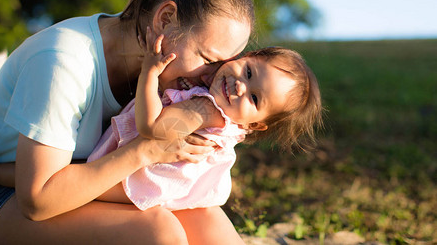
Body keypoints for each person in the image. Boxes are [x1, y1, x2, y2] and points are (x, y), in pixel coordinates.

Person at [0, 0, 255, 244]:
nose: (211, 77)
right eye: (208, 59)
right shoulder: (63, 60)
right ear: (164, 19)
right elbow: (37, 200)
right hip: (6, 196)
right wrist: (145, 150)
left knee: (205, 218)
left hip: (88, 186)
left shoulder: (166, 77)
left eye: (222, 64)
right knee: (157, 230)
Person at [88, 29, 323, 212]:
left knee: (89, 189)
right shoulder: (224, 110)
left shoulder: (206, 109)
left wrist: (150, 73)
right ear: (246, 56)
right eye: (249, 72)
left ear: (254, 125)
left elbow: (152, 127)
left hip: (131, 182)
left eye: (254, 98)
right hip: (158, 186)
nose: (240, 85)